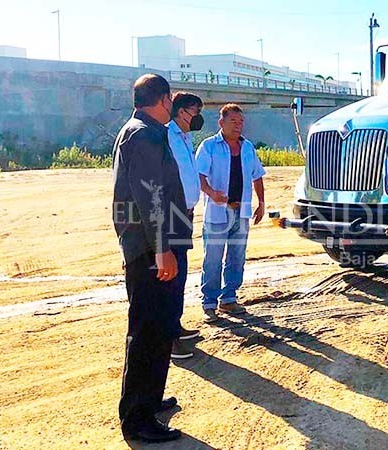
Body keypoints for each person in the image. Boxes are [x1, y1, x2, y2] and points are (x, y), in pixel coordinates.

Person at [112, 74, 190, 443]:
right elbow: (151, 196)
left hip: (157, 244)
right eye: (171, 98)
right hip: (150, 250)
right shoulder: (142, 134)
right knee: (147, 332)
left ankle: (150, 400)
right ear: (163, 99)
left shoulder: (145, 129)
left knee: (160, 328)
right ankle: (137, 418)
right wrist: (162, 249)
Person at [195, 103, 266, 323]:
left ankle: (229, 298)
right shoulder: (209, 146)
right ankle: (209, 303)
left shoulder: (247, 148)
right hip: (218, 211)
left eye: (241, 122)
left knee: (237, 257)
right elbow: (199, 175)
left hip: (241, 210)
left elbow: (257, 175)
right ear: (221, 123)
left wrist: (261, 202)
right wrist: (211, 193)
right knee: (213, 258)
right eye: (233, 121)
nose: (238, 126)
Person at [165, 91, 206, 358]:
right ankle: (168, 339)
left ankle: (175, 326)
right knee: (169, 275)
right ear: (181, 111)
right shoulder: (167, 135)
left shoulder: (184, 136)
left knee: (179, 271)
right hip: (172, 212)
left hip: (185, 213)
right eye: (195, 111)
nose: (198, 117)